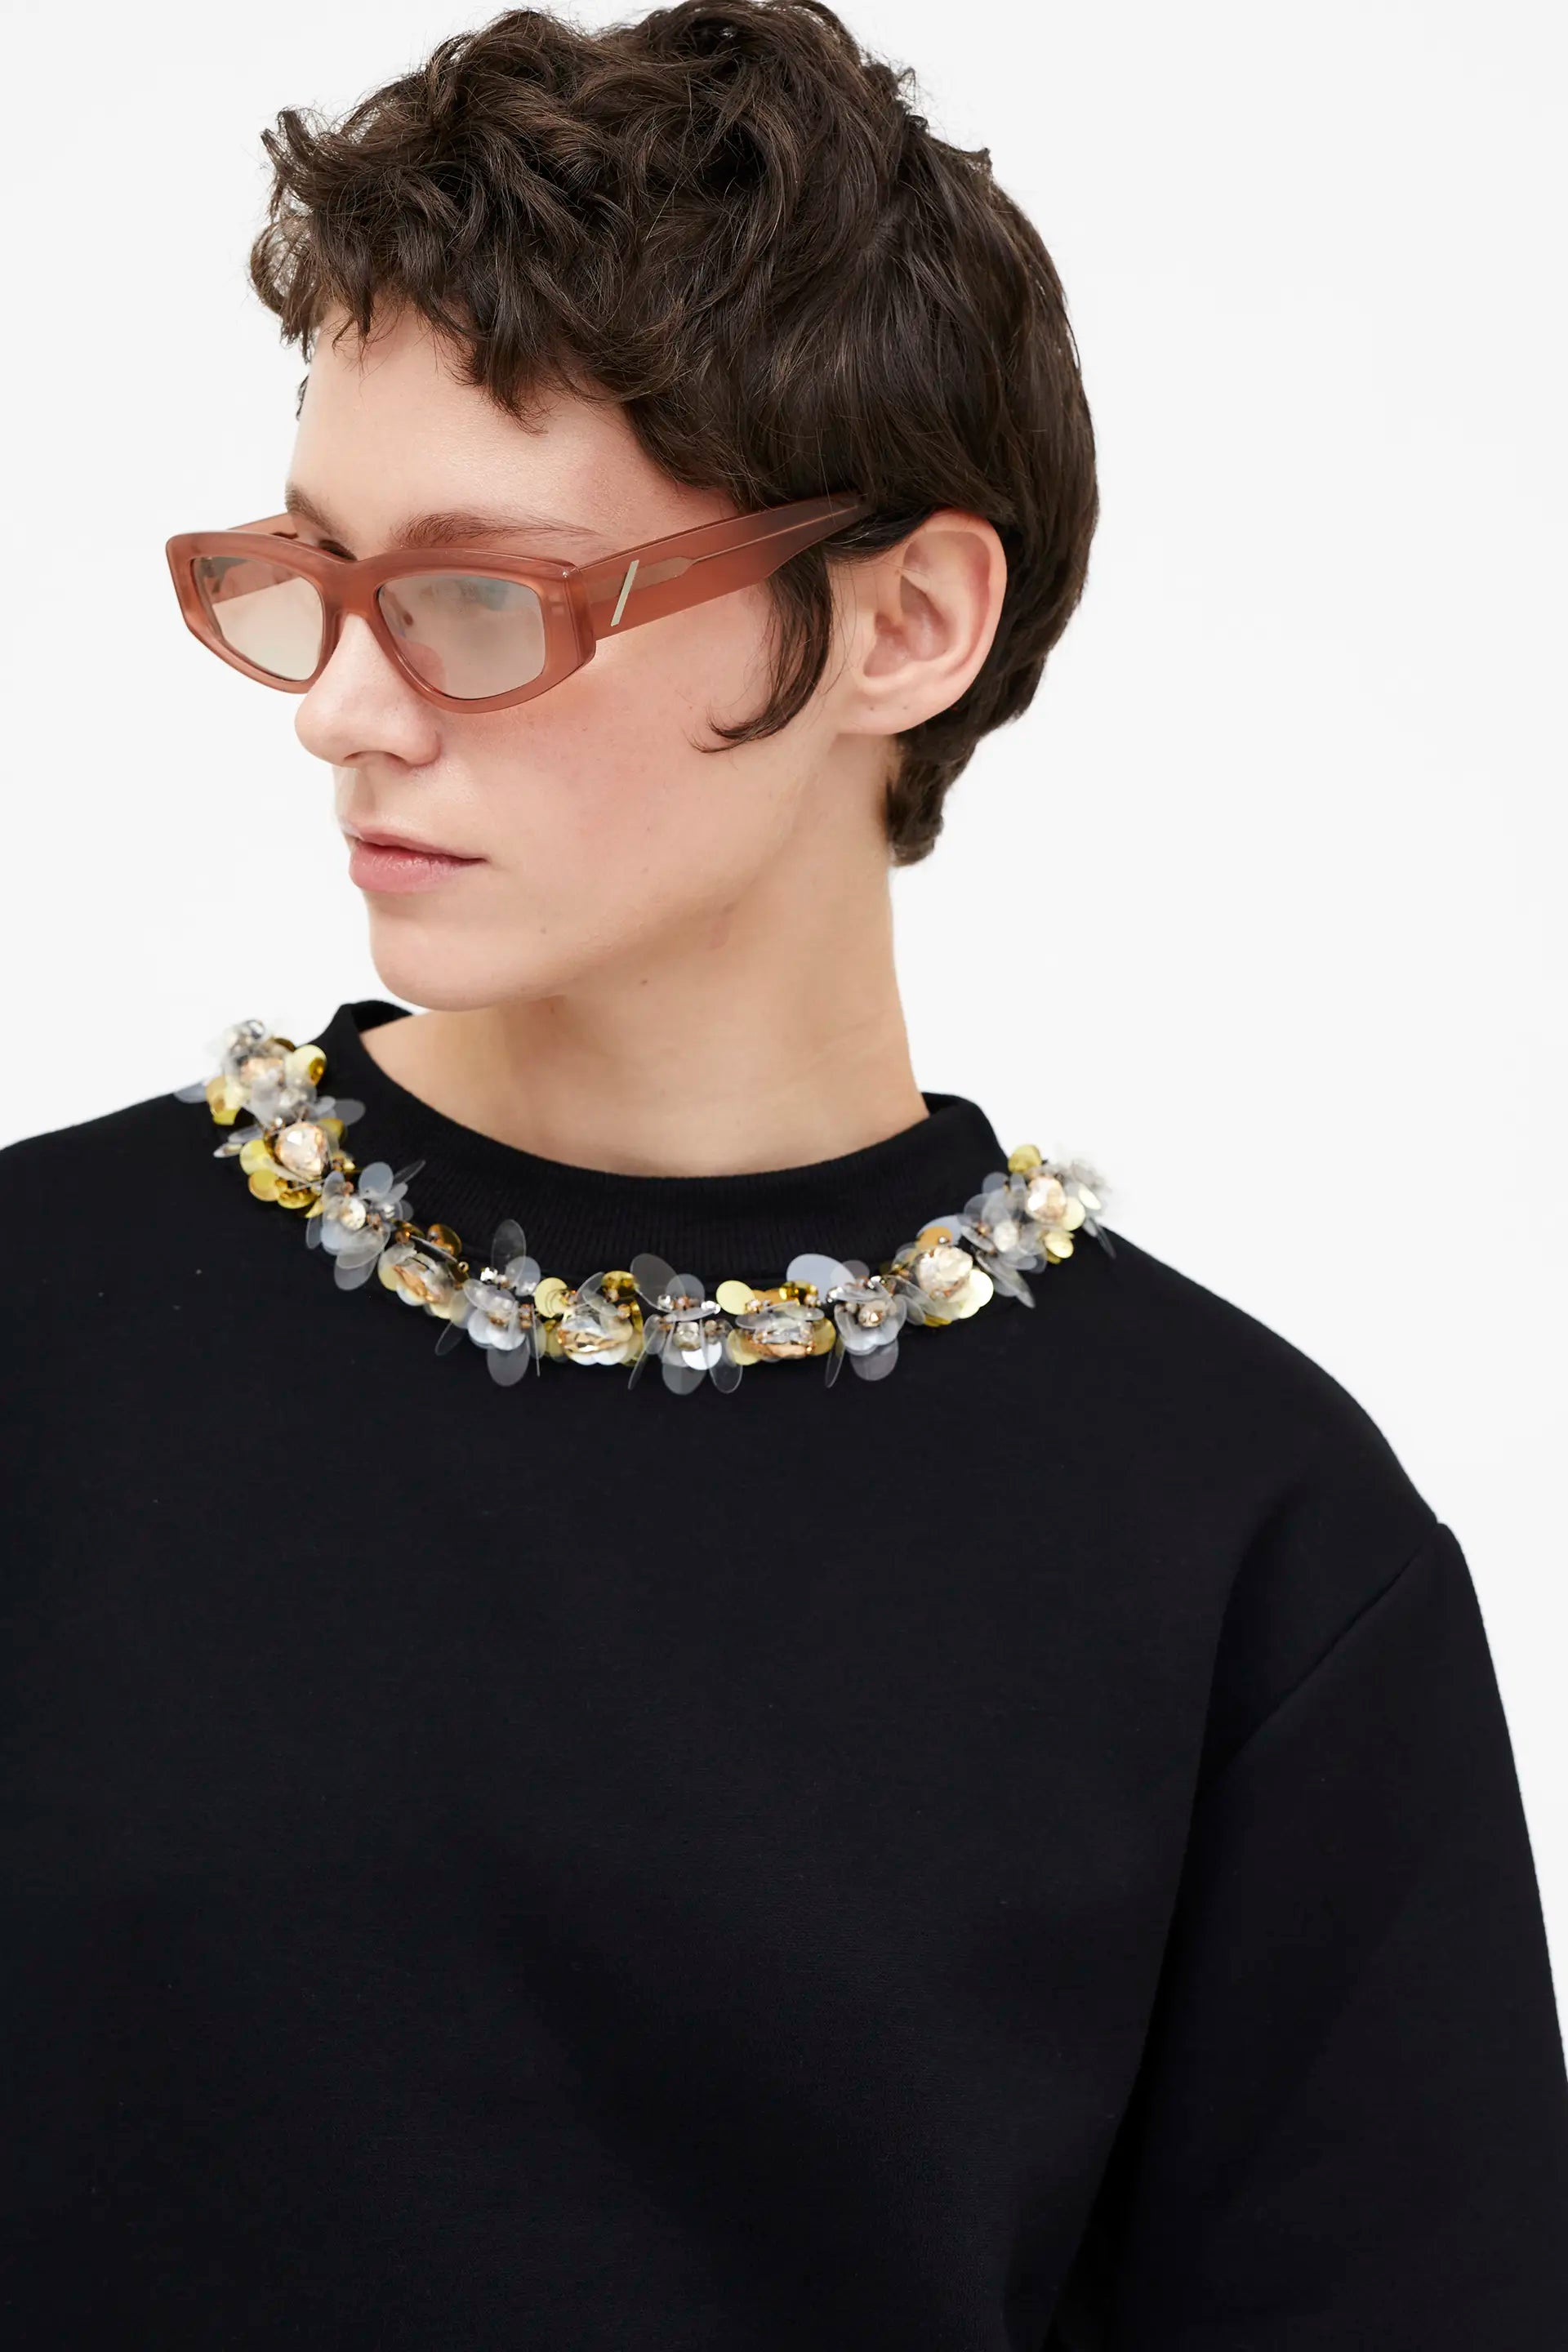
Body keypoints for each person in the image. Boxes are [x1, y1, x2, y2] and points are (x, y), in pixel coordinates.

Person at [2, 2, 1564, 2343]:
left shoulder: (1250, 1550)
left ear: (906, 624)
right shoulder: (38, 1342)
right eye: (310, 573)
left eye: (482, 599)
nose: (340, 704)